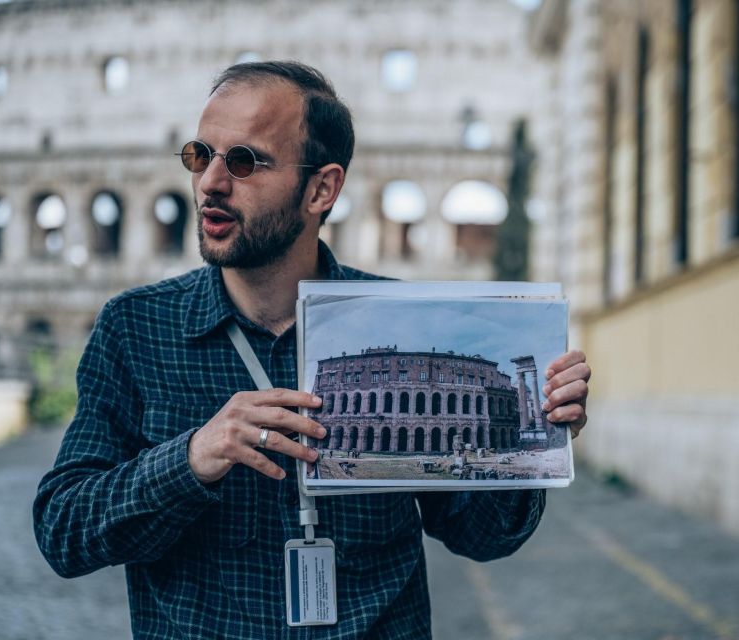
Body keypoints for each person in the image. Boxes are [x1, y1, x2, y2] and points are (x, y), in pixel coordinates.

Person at [33, 61, 591, 639]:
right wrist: (191, 458)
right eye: (201, 155)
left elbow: (484, 538)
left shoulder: (406, 320)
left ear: (321, 189)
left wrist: (536, 437)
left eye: (245, 161)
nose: (211, 184)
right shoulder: (135, 328)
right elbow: (63, 532)